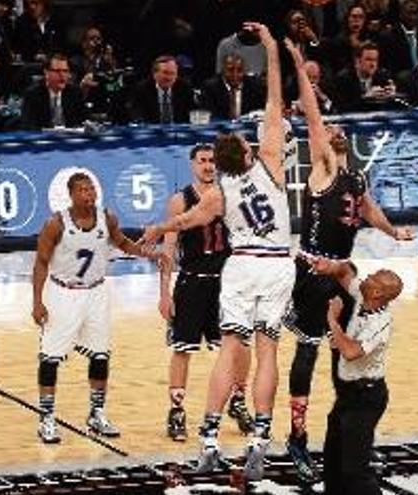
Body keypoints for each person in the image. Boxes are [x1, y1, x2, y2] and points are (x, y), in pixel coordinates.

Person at [142, 22, 291, 481]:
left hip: (240, 267)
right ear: (247, 152)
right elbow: (274, 100)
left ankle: (208, 438)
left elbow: (185, 222)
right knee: (266, 353)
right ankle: (260, 440)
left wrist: (156, 228)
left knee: (229, 350)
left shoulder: (219, 192)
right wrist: (268, 48)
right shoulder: (268, 163)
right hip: (276, 264)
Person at [282, 38, 415, 483]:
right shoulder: (323, 166)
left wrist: (394, 231)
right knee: (308, 354)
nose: (334, 129)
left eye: (339, 128)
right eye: (329, 127)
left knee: (351, 355)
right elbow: (313, 112)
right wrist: (300, 66)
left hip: (344, 272)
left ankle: (349, 431)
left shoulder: (354, 176)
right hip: (312, 270)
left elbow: (369, 208)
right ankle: (296, 439)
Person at [31, 172, 158, 444]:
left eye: (92, 190)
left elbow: (122, 242)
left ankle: (97, 412)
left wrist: (148, 254)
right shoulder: (55, 224)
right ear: (72, 195)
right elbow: (41, 262)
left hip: (96, 292)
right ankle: (47, 418)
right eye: (83, 190)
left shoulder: (107, 218)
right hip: (63, 293)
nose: (89, 195)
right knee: (50, 357)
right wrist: (37, 301)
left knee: (100, 355)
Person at [159, 143, 254, 442]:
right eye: (202, 161)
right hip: (192, 281)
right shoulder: (180, 200)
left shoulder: (231, 195)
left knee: (239, 346)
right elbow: (169, 248)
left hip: (226, 284)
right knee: (182, 349)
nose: (209, 166)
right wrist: (164, 293)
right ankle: (176, 412)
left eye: (212, 161)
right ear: (192, 165)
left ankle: (238, 402)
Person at [313, 257, 403, 495]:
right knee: (332, 463)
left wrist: (332, 320)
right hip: (348, 396)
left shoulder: (381, 323)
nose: (368, 275)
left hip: (366, 400)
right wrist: (330, 267)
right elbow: (345, 274)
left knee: (355, 470)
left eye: (374, 276)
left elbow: (351, 351)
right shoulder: (365, 296)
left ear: (377, 292)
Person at [21, 53, 85, 129]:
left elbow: (82, 121)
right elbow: (28, 126)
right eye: (57, 71)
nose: (62, 75)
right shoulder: (33, 94)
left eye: (65, 71)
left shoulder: (74, 92)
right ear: (46, 72)